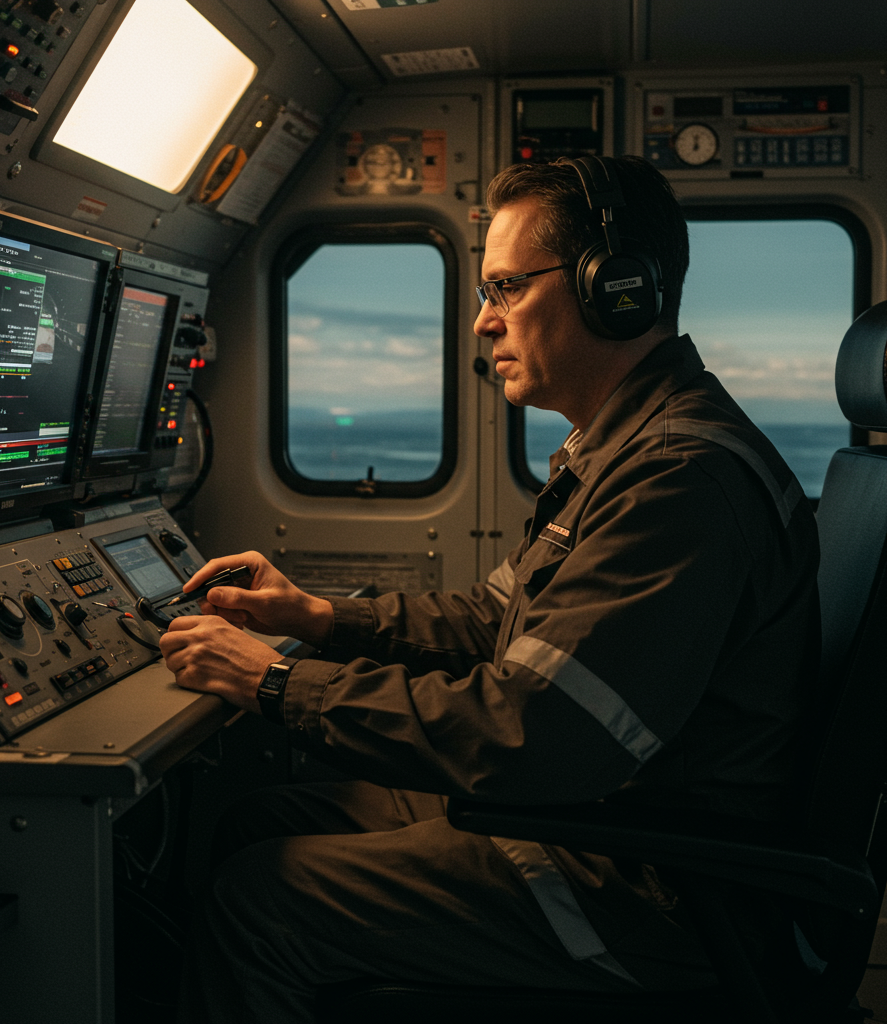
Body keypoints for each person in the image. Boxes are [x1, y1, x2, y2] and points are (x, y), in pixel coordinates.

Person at [161, 156, 820, 1023]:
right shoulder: (623, 451)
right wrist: (318, 618)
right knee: (260, 819)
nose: (482, 322)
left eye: (506, 288)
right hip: (601, 820)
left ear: (614, 288)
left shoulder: (676, 478)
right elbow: (490, 619)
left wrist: (273, 681)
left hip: (648, 888)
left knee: (260, 895)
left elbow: (531, 732)